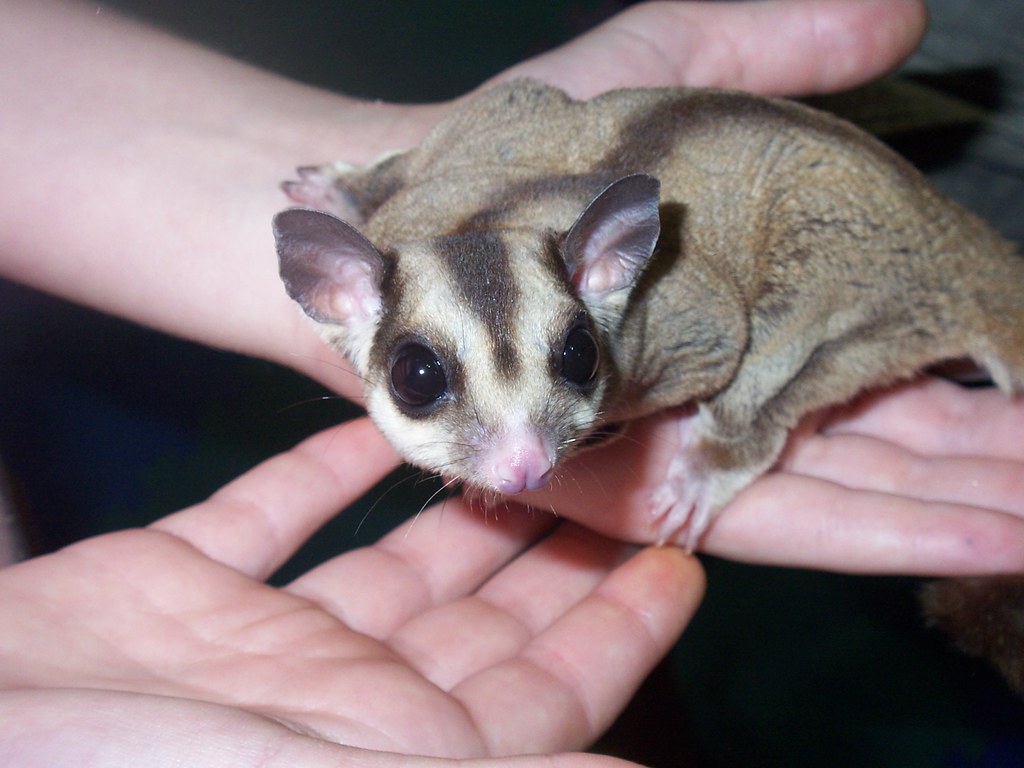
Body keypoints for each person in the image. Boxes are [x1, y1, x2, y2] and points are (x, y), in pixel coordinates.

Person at [1, 0, 1021, 765]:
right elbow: (514, 109)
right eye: (424, 378)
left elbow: (717, 334)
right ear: (336, 299)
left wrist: (726, 446)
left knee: (757, 360)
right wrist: (360, 181)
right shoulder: (416, 205)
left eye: (571, 360)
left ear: (604, 276)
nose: (526, 461)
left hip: (835, 248)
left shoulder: (640, 309)